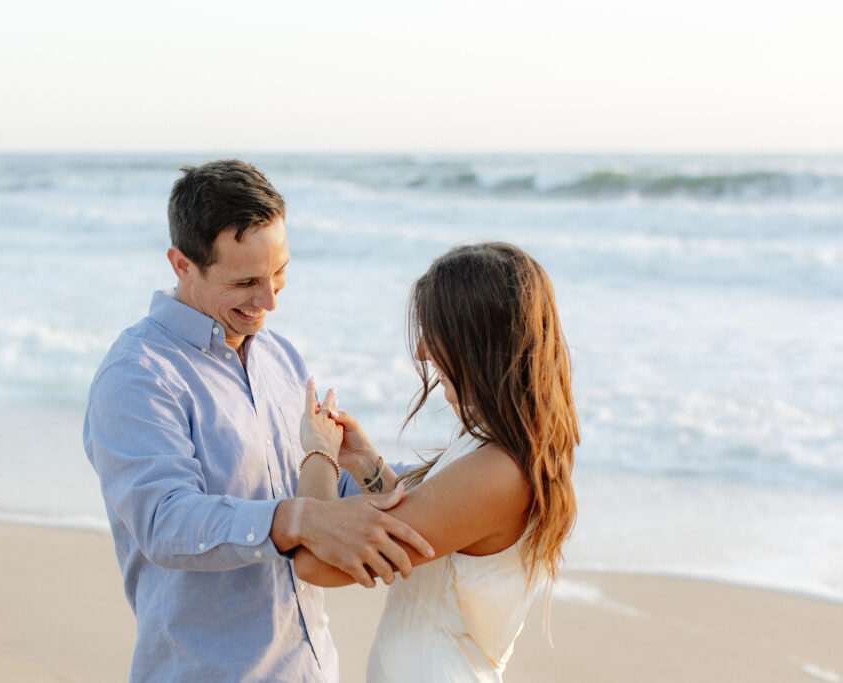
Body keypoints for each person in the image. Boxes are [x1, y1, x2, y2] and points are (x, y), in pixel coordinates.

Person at [82, 159, 433, 682]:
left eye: (280, 273)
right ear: (182, 264)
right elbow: (164, 521)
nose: (269, 301)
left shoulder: (279, 356)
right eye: (246, 281)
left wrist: (366, 468)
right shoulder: (137, 374)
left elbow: (319, 496)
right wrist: (293, 519)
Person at [293, 242, 579, 681]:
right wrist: (365, 462)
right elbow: (431, 536)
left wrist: (317, 456)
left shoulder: (499, 472)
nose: (424, 351)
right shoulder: (487, 447)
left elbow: (317, 564)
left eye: (435, 332)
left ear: (478, 341)